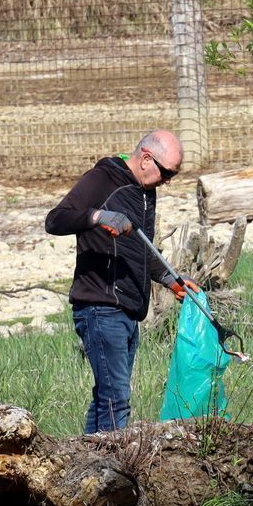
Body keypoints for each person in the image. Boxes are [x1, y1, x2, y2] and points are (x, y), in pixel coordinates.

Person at [45, 129, 195, 434]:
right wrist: (97, 216)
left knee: (105, 399)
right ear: (145, 159)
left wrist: (171, 279)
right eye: (166, 173)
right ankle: (111, 472)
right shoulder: (102, 180)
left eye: (173, 176)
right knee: (117, 401)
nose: (168, 181)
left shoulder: (144, 191)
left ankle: (84, 468)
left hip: (128, 310)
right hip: (100, 307)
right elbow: (55, 219)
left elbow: (141, 250)